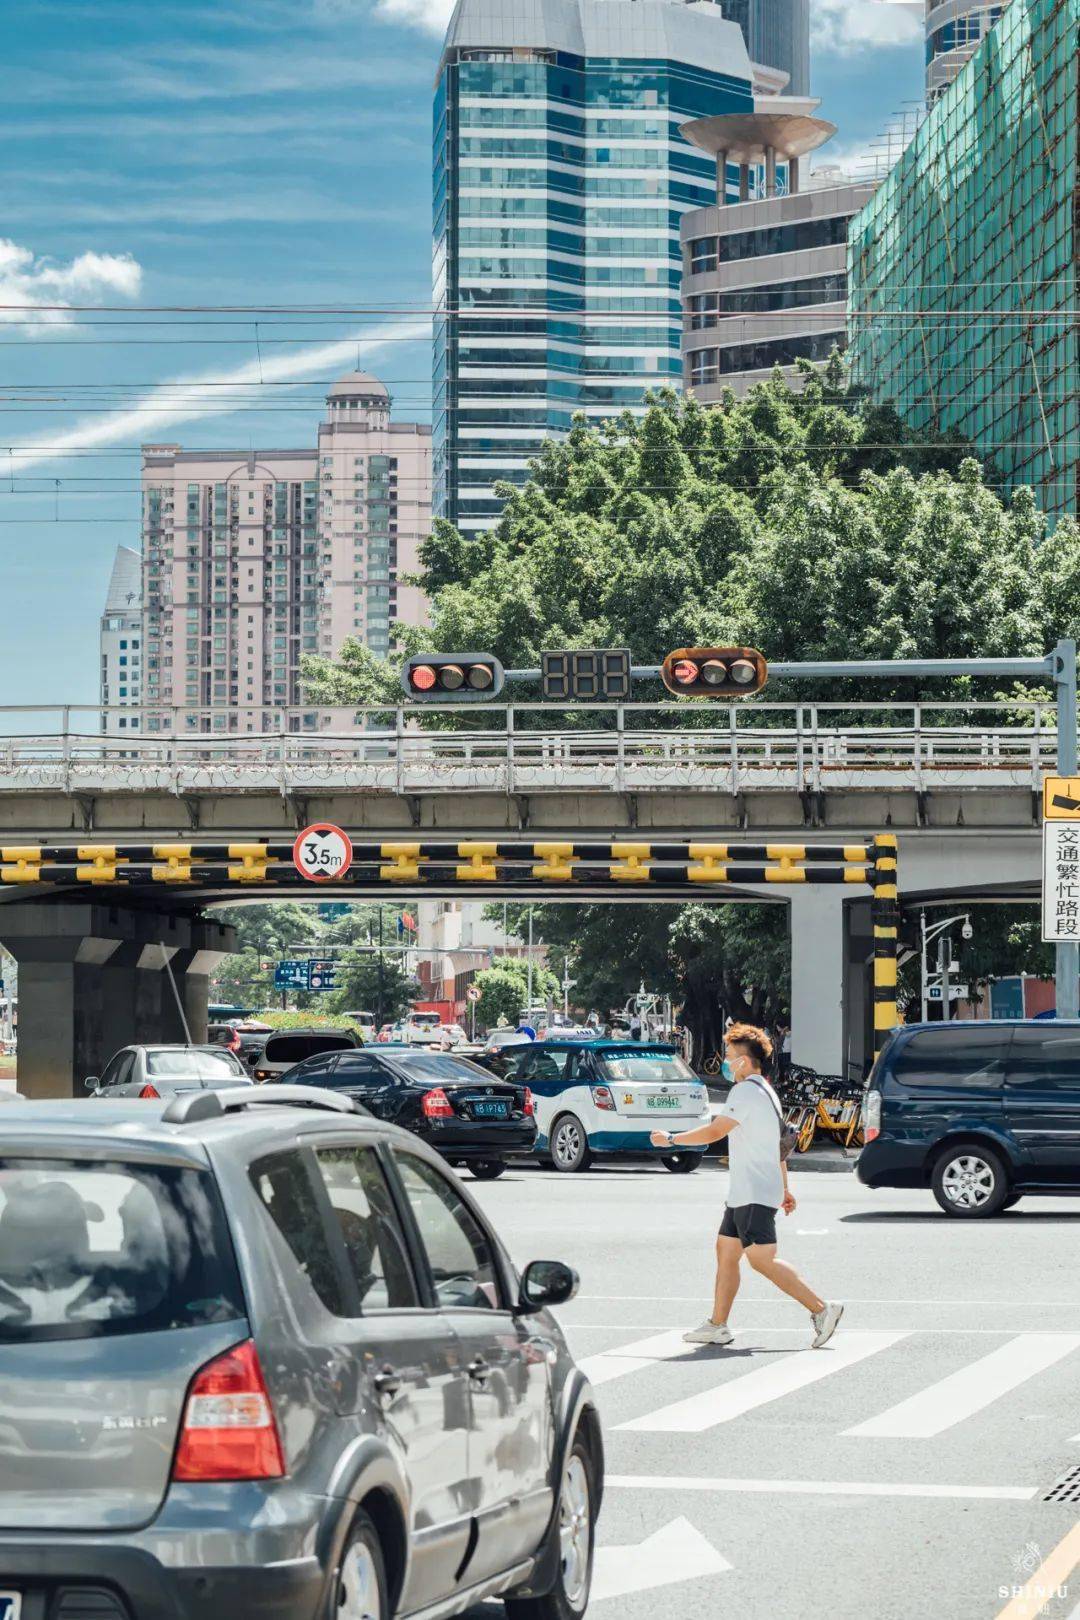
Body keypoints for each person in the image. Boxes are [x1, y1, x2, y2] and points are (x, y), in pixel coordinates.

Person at [650, 1022, 842, 1349]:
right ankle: (718, 1324)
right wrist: (784, 1188)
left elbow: (715, 1132)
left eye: (729, 1055)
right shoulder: (766, 1092)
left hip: (753, 1193)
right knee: (726, 1252)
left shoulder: (746, 1091)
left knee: (761, 1260)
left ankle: (822, 1309)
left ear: (744, 1061)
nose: (725, 1061)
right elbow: (779, 1146)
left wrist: (671, 1139)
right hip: (747, 1192)